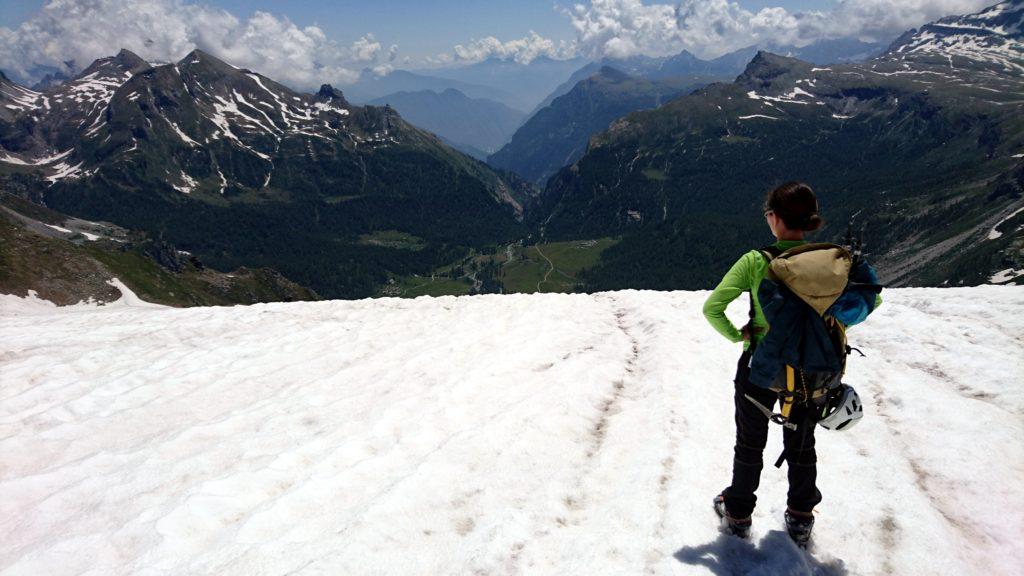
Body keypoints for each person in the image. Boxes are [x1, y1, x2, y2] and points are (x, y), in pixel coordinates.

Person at [701, 181, 880, 545]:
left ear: (775, 219)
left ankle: (738, 514)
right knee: (802, 443)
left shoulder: (757, 261)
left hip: (761, 371)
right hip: (811, 373)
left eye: (769, 213)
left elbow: (712, 308)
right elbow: (871, 301)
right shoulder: (832, 264)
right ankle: (800, 516)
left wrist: (741, 335)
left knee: (750, 445)